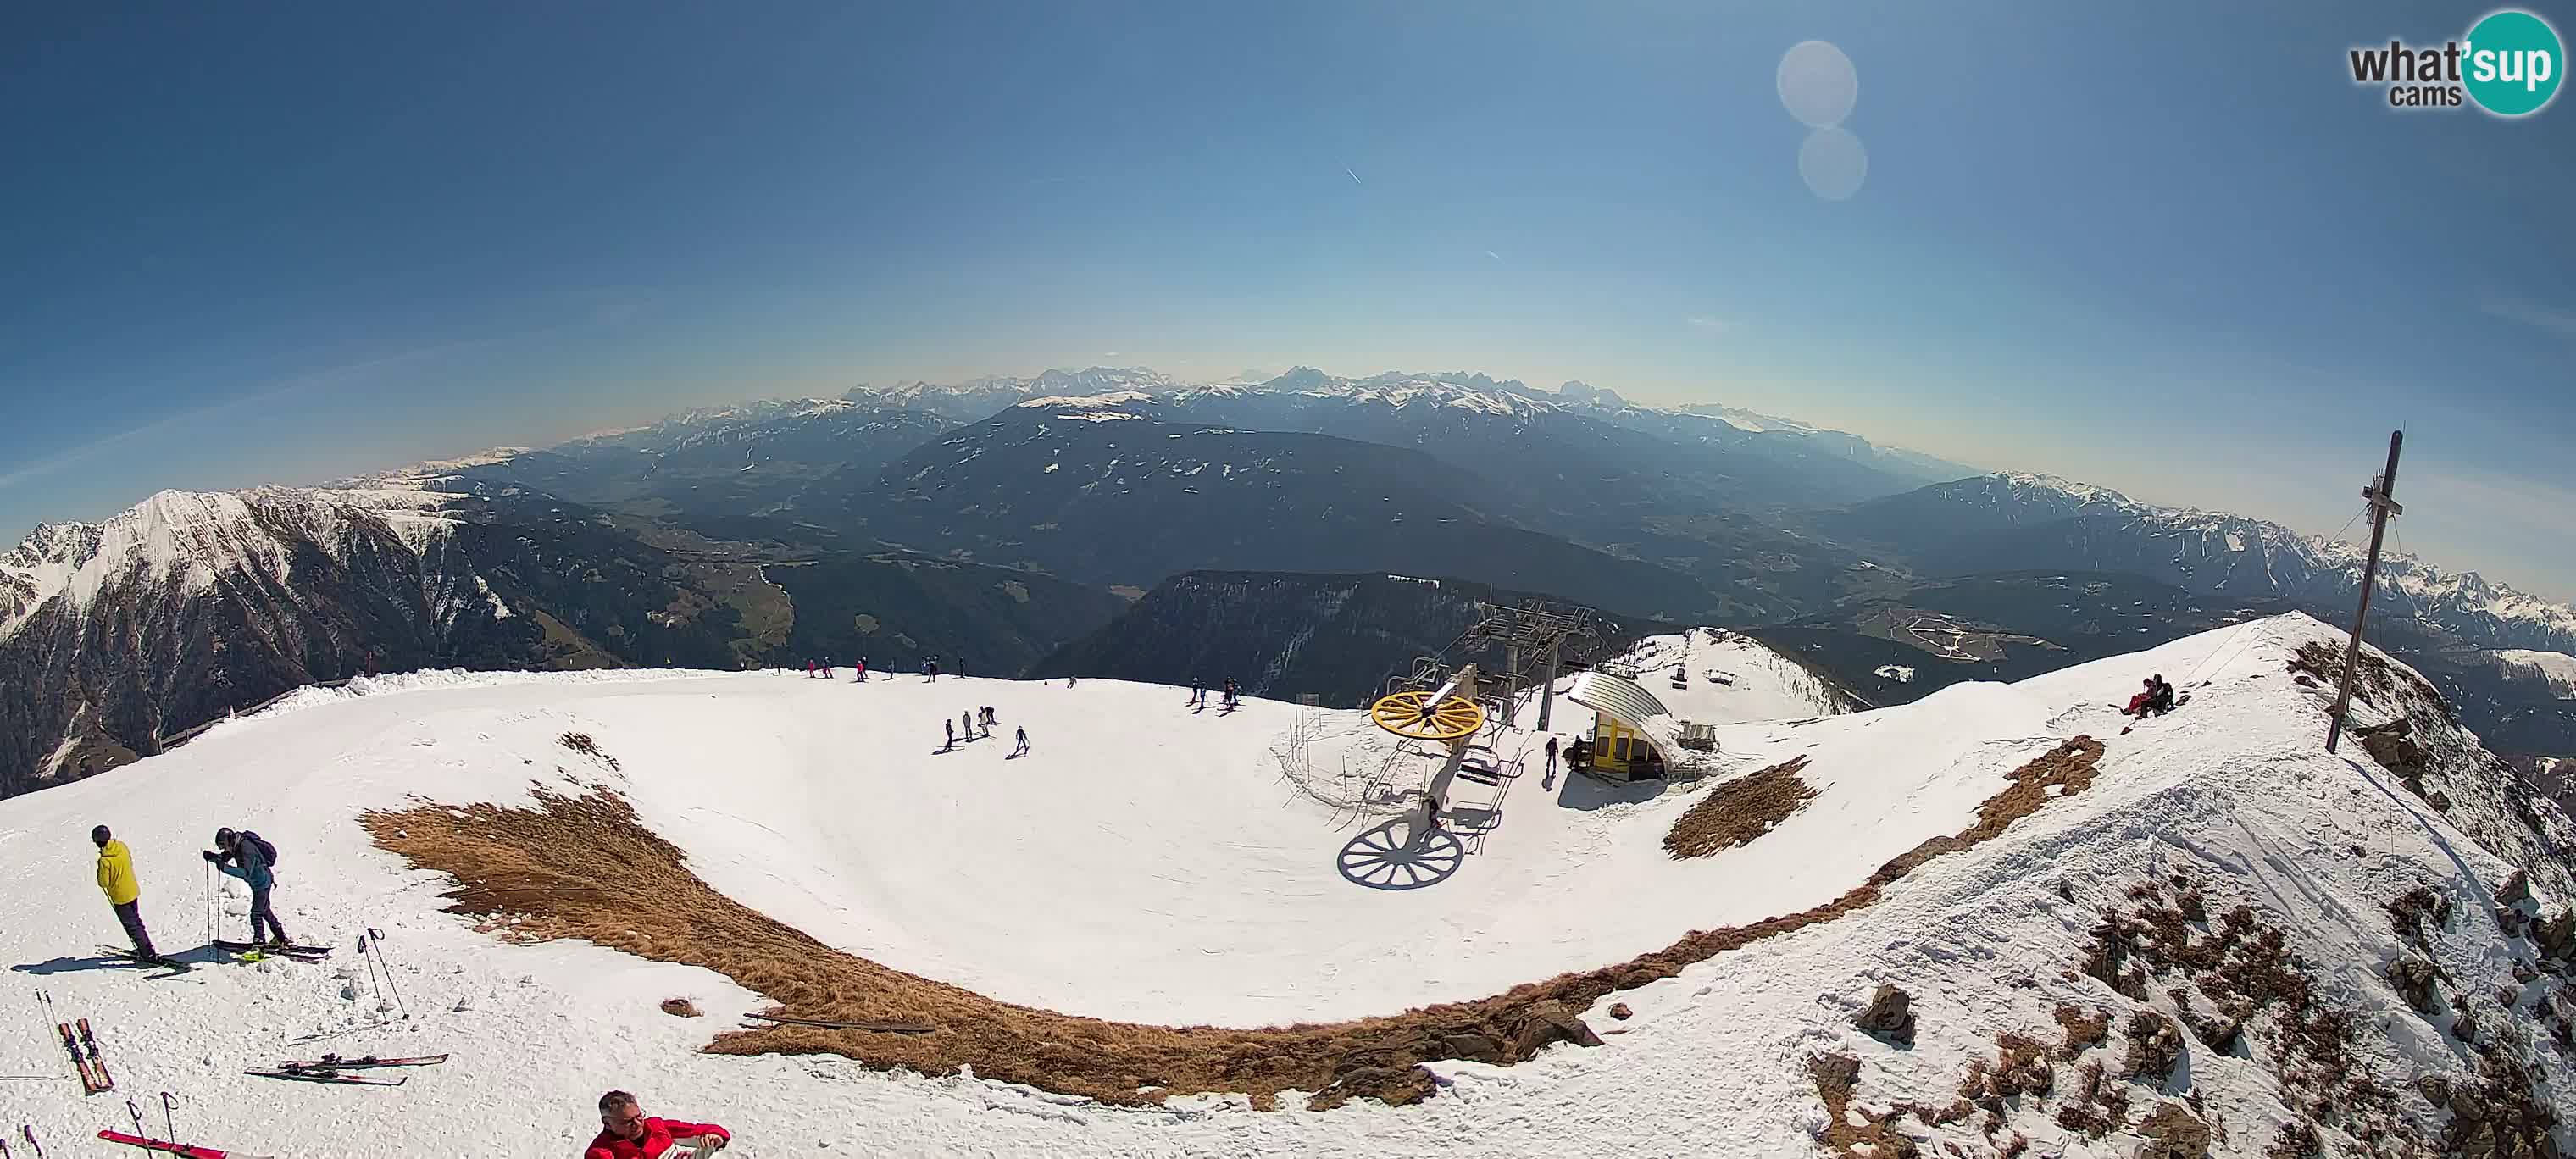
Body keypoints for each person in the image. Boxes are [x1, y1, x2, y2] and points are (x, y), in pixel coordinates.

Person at [205, 827, 289, 947]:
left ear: (229, 841)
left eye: (224, 846)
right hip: (259, 883)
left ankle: (259, 944)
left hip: (262, 883)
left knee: (256, 914)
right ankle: (281, 938)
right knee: (265, 911)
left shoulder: (245, 849)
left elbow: (245, 872)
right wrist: (213, 858)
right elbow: (224, 858)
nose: (224, 849)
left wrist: (224, 868)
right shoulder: (237, 845)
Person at [586, 1090, 729, 1159]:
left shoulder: (656, 1127)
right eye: (627, 1122)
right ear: (607, 1123)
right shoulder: (601, 1152)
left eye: (639, 1116)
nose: (637, 1124)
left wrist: (716, 1138)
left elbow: (700, 1130)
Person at [92, 825, 159, 962]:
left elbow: (103, 882)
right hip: (132, 890)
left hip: (120, 897)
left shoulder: (105, 860)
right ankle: (145, 948)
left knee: (132, 926)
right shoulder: (121, 847)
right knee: (136, 921)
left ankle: (147, 954)